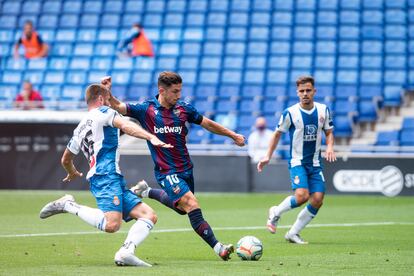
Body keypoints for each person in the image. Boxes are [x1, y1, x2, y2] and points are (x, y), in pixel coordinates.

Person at [102, 72, 245, 261]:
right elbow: (118, 107)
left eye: (180, 91)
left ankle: (146, 191)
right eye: (175, 92)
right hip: (166, 171)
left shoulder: (184, 108)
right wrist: (107, 92)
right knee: (192, 204)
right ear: (162, 90)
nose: (178, 96)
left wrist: (232, 135)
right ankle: (219, 248)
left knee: (182, 208)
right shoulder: (146, 109)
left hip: (186, 168)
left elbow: (207, 123)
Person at [39, 84, 173, 267]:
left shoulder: (79, 127)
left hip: (111, 176)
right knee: (112, 225)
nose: (112, 105)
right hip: (105, 175)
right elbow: (126, 125)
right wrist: (150, 137)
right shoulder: (104, 112)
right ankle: (68, 205)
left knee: (148, 215)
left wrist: (71, 171)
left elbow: (65, 159)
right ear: (101, 100)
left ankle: (126, 252)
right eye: (109, 100)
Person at [257, 76, 336, 244]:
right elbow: (277, 134)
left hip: (315, 163)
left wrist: (329, 147)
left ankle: (293, 233)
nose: (305, 94)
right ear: (297, 93)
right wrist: (267, 156)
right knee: (302, 196)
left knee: (318, 199)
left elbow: (329, 132)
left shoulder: (323, 110)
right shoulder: (290, 113)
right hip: (297, 161)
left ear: (314, 91)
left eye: (308, 90)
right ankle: (275, 212)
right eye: (302, 91)